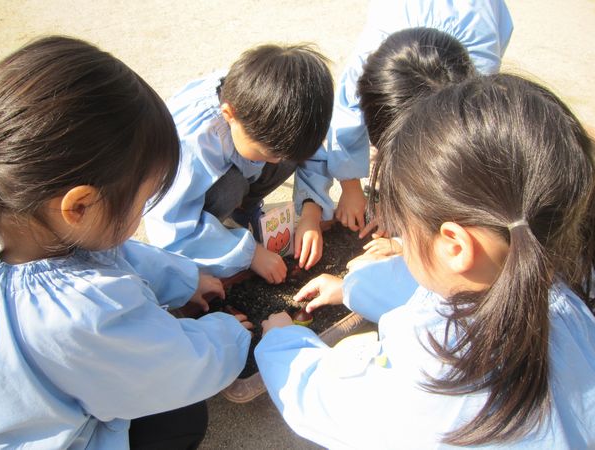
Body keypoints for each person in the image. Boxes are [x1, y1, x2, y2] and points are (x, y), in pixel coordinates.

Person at [255, 74, 595, 448]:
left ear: (455, 245)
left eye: (404, 225)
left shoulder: (431, 378)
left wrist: (282, 341)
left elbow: (327, 400)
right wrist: (350, 288)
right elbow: (440, 291)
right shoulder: (568, 304)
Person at [0, 36, 252, 450]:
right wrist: (229, 334)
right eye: (142, 200)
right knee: (183, 416)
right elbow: (177, 369)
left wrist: (185, 279)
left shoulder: (31, 225)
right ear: (80, 206)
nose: (141, 214)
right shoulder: (85, 313)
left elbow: (112, 252)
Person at [144, 44, 334, 284]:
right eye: (266, 153)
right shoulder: (192, 145)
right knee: (230, 187)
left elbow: (313, 150)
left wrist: (310, 214)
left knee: (288, 155)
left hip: (237, 163)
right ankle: (220, 235)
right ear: (229, 115)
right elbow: (171, 227)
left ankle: (243, 211)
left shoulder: (279, 109)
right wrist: (250, 255)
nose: (276, 162)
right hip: (183, 201)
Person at [322, 0, 513, 235]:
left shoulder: (478, 80)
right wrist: (350, 187)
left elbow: (459, 154)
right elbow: (346, 114)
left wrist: (409, 225)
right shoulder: (369, 59)